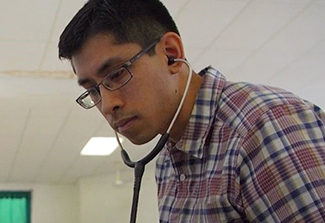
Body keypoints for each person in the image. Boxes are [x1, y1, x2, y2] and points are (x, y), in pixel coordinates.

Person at [58, 0, 325, 222]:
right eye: (93, 90)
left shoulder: (264, 127)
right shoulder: (166, 158)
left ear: (171, 54)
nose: (107, 104)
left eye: (117, 74)